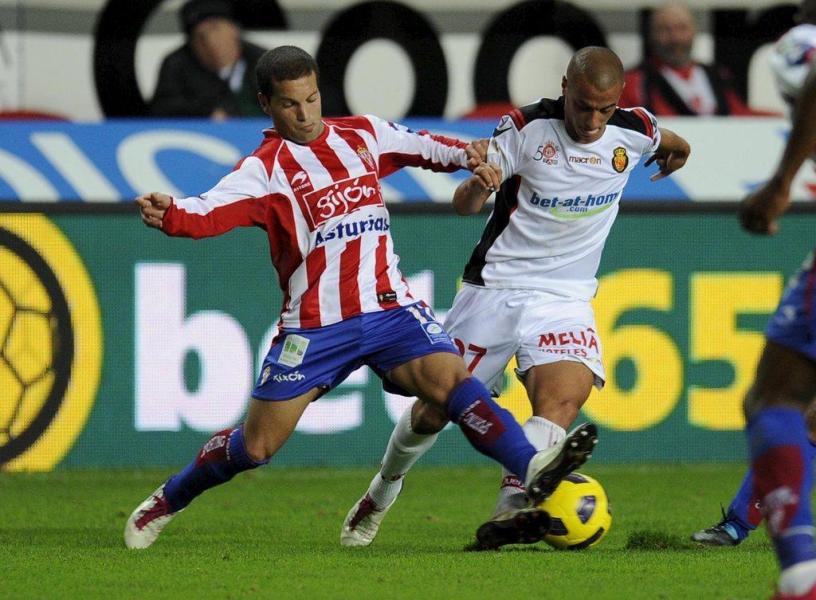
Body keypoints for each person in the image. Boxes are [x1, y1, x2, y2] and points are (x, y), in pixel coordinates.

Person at [123, 45, 601, 550]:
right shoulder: (263, 171)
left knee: (454, 384)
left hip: (389, 310)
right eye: (290, 104)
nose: (306, 114)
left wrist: (469, 154)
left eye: (312, 98)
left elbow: (427, 146)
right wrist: (170, 212)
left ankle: (531, 465)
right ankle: (167, 499)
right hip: (314, 327)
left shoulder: (361, 135)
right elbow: (207, 211)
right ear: (265, 103)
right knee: (256, 446)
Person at [341, 46, 691, 550]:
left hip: (564, 296)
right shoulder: (524, 128)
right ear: (565, 87)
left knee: (563, 397)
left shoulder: (633, 130)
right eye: (584, 106)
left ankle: (513, 505)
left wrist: (677, 153)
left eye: (605, 109)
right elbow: (465, 205)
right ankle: (383, 489)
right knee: (432, 412)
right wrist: (478, 186)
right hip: (495, 290)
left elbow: (670, 141)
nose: (593, 121)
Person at [692, 0, 816, 551]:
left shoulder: (800, 46)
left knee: (774, 403)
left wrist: (781, 181)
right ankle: (741, 521)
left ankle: (798, 571)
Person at [618, 1, 757, 116]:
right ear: (651, 35)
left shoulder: (718, 75)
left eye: (682, 28)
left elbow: (740, 115)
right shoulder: (634, 82)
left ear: (694, 31)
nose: (675, 38)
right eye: (665, 30)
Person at [150, 0, 266, 119]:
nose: (209, 41)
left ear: (234, 30)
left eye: (215, 29)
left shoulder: (264, 61)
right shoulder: (176, 65)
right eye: (200, 35)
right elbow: (163, 109)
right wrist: (206, 114)